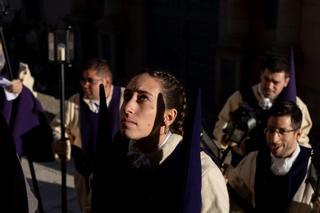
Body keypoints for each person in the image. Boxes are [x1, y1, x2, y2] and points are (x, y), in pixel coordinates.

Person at [91, 71, 230, 212]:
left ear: (168, 117)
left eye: (143, 98)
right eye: (127, 97)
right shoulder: (113, 156)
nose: (127, 108)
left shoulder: (202, 173)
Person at [212, 52, 312, 167]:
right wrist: (228, 138)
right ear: (261, 74)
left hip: (277, 166)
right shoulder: (241, 98)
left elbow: (302, 139)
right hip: (242, 164)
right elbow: (220, 127)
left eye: (275, 82)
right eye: (266, 79)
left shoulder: (296, 106)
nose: (269, 86)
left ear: (286, 81)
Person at [51, 58, 124, 212]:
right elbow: (57, 128)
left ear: (107, 82)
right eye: (83, 80)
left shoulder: (124, 99)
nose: (84, 85)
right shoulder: (75, 102)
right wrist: (61, 140)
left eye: (90, 81)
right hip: (85, 174)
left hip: (118, 177)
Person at [225, 100, 319, 212]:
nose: (274, 139)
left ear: (297, 134)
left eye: (282, 131)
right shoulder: (254, 160)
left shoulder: (314, 168)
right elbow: (235, 199)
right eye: (271, 130)